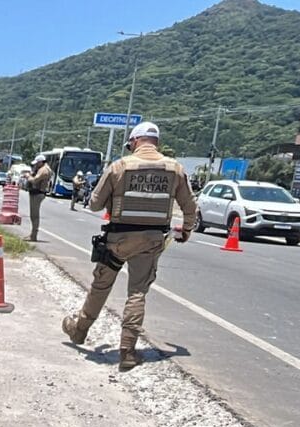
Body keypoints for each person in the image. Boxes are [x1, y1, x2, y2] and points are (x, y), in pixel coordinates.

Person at [61, 121, 197, 372]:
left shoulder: (120, 166)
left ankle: (79, 330)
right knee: (137, 293)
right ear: (156, 142)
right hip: (151, 241)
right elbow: (190, 207)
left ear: (134, 141)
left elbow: (94, 204)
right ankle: (127, 351)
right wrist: (186, 230)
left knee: (101, 286)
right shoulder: (175, 169)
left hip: (118, 240)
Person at [25, 154, 53, 241]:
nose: (36, 165)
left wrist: (28, 176)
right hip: (36, 192)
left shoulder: (44, 170)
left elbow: (35, 180)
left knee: (34, 215)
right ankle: (32, 234)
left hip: (37, 193)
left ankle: (34, 235)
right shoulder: (43, 169)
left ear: (41, 162)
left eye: (37, 163)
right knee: (33, 215)